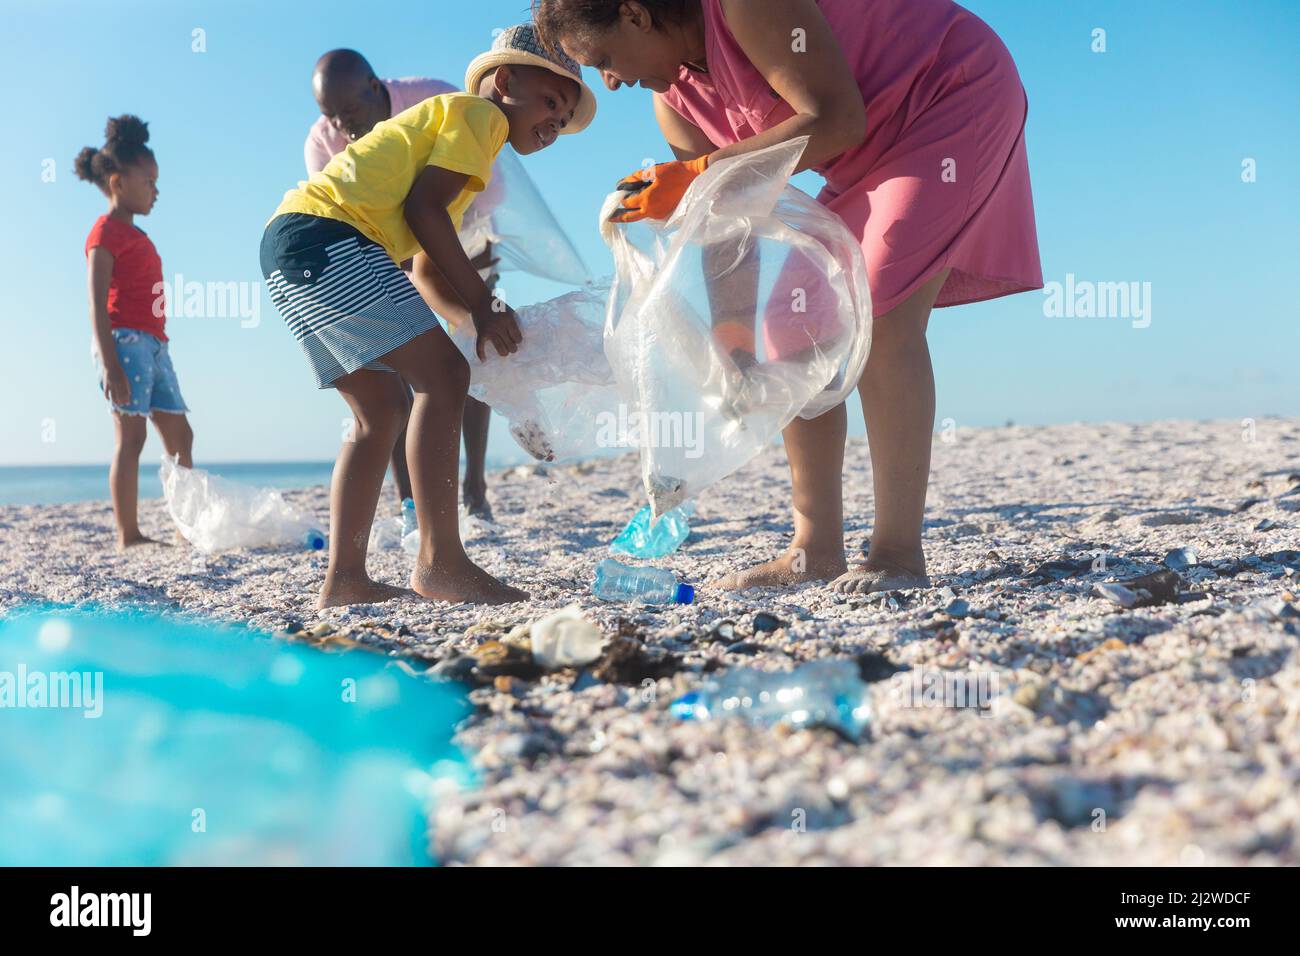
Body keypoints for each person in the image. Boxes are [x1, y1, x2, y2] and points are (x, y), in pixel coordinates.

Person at [535, 0, 1043, 594]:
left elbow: (835, 120)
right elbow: (727, 223)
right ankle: (814, 550)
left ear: (636, 14)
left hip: (948, 95)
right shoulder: (674, 105)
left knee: (877, 313)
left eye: (604, 59)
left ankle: (898, 552)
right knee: (790, 330)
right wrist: (735, 336)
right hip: (863, 157)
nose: (611, 81)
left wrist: (698, 173)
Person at [260, 24, 596, 608]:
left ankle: (345, 580)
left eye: (564, 119)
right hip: (331, 238)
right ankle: (442, 562)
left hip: (290, 244)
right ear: (505, 80)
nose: (554, 123)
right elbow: (424, 212)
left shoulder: (457, 128)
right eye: (549, 102)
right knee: (443, 379)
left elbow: (424, 262)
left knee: (379, 410)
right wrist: (486, 306)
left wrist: (477, 310)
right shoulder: (479, 117)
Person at [306, 49, 498, 523]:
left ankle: (474, 484)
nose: (340, 124)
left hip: (463, 227)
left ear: (375, 87)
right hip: (380, 248)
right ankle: (409, 501)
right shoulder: (322, 139)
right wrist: (409, 268)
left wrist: (470, 274)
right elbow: (345, 221)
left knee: (472, 351)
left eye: (348, 111)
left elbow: (477, 178)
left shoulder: (431, 96)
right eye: (329, 114)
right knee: (391, 378)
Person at [77, 115, 195, 551]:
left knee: (181, 436)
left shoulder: (137, 233)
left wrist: (160, 342)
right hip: (123, 344)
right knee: (131, 438)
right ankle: (129, 533)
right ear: (117, 182)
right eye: (148, 181)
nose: (155, 191)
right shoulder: (104, 233)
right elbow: (95, 302)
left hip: (155, 345)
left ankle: (186, 526)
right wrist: (110, 363)